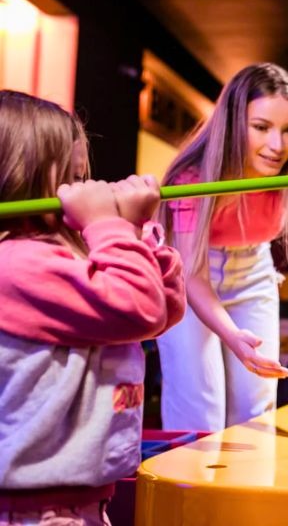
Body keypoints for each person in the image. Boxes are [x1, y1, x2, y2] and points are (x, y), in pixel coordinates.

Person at [0, 90, 185, 524]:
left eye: (84, 177)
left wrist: (134, 235)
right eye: (73, 179)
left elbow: (160, 313)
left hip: (77, 501)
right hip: (36, 510)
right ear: (23, 175)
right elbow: (138, 309)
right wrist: (109, 225)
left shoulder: (65, 257)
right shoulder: (18, 265)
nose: (87, 190)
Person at [156, 63, 288, 431]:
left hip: (253, 269)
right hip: (189, 277)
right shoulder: (193, 177)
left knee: (257, 409)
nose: (277, 146)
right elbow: (193, 275)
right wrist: (231, 336)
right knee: (199, 409)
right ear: (234, 123)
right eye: (262, 127)